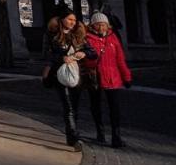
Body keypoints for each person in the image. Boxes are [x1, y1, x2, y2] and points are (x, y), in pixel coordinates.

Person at [41, 11, 97, 148]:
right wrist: (61, 58)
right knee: (68, 107)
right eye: (69, 19)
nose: (72, 22)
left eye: (74, 20)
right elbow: (46, 54)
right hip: (59, 74)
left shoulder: (78, 35)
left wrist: (83, 53)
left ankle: (72, 134)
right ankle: (73, 138)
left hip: (77, 75)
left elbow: (92, 52)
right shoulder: (52, 34)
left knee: (74, 106)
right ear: (62, 20)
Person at [84, 11, 132, 147]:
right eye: (98, 25)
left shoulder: (113, 38)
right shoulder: (87, 38)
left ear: (108, 25)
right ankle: (100, 132)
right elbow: (85, 60)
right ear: (93, 25)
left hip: (112, 77)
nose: (101, 27)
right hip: (95, 78)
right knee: (96, 106)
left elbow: (120, 59)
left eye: (104, 25)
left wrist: (126, 76)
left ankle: (116, 136)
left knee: (114, 108)